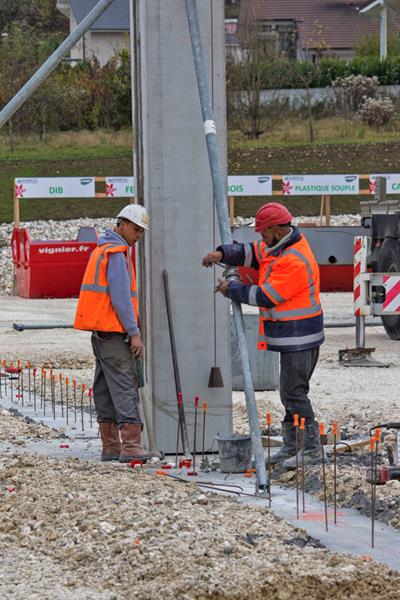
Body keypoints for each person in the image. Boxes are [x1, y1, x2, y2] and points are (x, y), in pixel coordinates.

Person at [202, 202, 324, 470]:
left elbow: (265, 295)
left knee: (294, 394)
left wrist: (231, 288)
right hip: (292, 336)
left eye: (263, 232)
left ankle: (312, 449)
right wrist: (222, 253)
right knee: (289, 393)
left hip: (299, 337)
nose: (261, 238)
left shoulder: (293, 260)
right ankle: (293, 446)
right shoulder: (277, 248)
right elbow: (251, 253)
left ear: (277, 231)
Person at [74, 204, 152, 463]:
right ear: (122, 224)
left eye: (141, 232)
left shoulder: (101, 250)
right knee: (125, 386)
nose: (138, 235)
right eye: (136, 229)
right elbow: (121, 299)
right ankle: (131, 447)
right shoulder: (117, 253)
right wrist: (135, 332)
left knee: (104, 388)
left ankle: (110, 446)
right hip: (113, 332)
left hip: (99, 333)